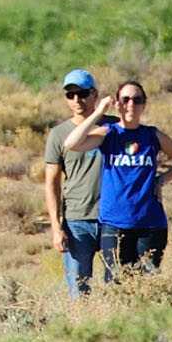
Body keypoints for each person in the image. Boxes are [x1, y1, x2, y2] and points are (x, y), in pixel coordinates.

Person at [61, 78, 172, 277]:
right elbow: (72, 143)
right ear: (117, 103)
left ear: (144, 104)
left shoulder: (152, 135)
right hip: (115, 223)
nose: (131, 104)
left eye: (137, 100)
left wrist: (162, 179)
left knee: (148, 284)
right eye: (125, 99)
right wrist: (98, 112)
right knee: (116, 282)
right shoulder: (109, 133)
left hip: (150, 223)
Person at [42, 69, 111, 294]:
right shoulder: (59, 134)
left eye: (82, 94)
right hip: (77, 219)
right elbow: (52, 183)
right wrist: (55, 226)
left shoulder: (115, 127)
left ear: (94, 94)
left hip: (114, 217)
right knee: (79, 290)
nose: (76, 100)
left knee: (120, 284)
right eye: (70, 95)